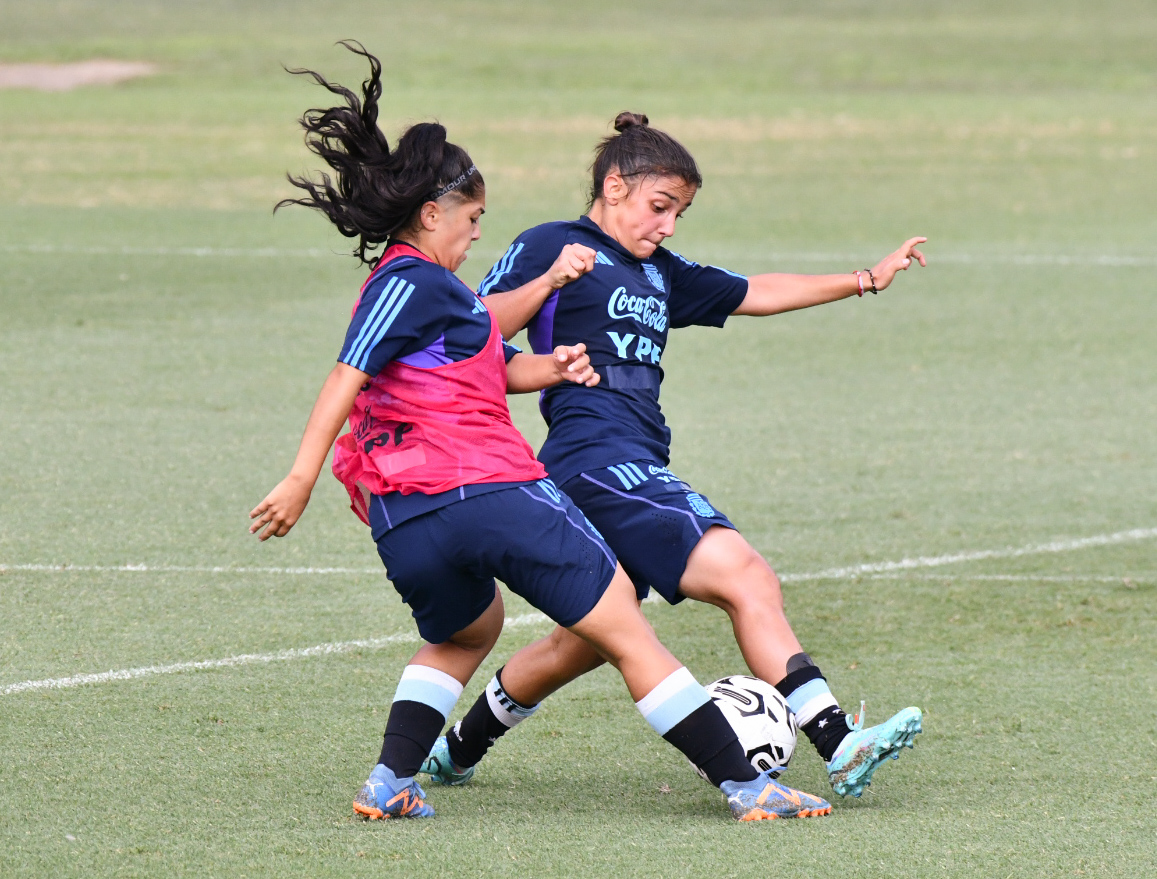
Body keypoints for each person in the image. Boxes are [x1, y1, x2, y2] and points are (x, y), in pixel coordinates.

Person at [249, 45, 833, 822]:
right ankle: (746, 783)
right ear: (432, 213)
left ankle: (391, 779)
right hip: (489, 490)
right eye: (471, 220)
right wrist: (298, 475)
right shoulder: (407, 280)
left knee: (469, 631)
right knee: (625, 627)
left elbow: (486, 362)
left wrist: (551, 366)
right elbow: (345, 372)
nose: (474, 235)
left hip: (404, 521)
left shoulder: (446, 297)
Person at [425, 112, 926, 800]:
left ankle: (456, 748)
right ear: (612, 186)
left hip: (617, 460)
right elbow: (475, 325)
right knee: (744, 574)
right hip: (596, 459)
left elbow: (756, 291)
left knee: (591, 638)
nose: (666, 225)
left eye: (678, 213)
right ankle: (839, 742)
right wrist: (544, 323)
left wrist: (864, 278)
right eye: (659, 206)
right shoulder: (552, 244)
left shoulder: (661, 272)